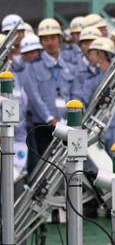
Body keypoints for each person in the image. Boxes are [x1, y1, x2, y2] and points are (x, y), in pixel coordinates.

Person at [23, 19, 75, 171]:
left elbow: (75, 93)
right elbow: (34, 97)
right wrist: (50, 119)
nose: (50, 42)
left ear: (59, 39)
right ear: (41, 42)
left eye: (53, 38)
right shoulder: (33, 67)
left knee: (71, 169)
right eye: (45, 39)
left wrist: (71, 119)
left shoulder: (69, 66)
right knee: (45, 170)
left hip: (68, 126)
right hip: (44, 127)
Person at [70, 27, 101, 104]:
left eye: (93, 43)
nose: (90, 47)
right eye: (86, 43)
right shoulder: (73, 69)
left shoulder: (108, 67)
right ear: (81, 46)